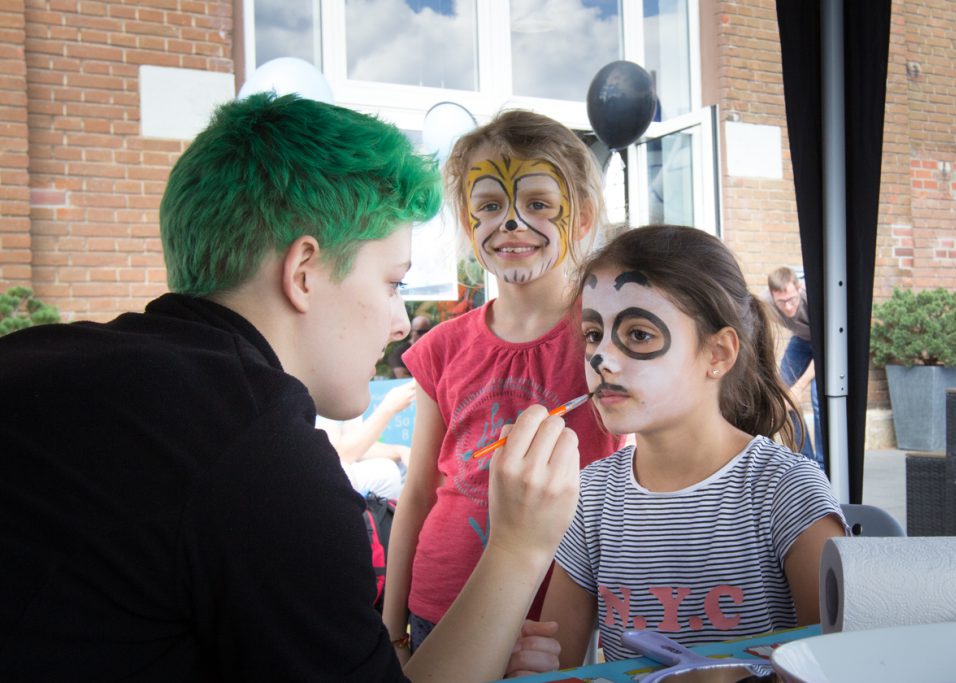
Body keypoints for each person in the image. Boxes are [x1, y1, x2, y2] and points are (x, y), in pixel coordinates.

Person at [0, 92, 583, 683]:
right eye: (391, 282)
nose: (400, 322)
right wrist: (516, 547)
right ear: (303, 271)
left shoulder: (42, 361)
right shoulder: (261, 463)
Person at [509, 225, 847, 672]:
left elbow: (840, 664)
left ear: (718, 354)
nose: (601, 359)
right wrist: (537, 668)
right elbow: (566, 666)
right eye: (593, 334)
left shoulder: (784, 492)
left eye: (639, 335)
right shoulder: (589, 498)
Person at [384, 109, 625, 655]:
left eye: (538, 204)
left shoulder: (605, 340)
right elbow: (418, 491)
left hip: (555, 620)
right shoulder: (442, 348)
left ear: (582, 218)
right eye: (490, 206)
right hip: (439, 607)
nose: (511, 223)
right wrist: (391, 625)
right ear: (470, 226)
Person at [317, 379, 418, 499]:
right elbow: (339, 454)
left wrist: (399, 451)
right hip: (321, 476)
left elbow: (357, 448)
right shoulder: (323, 388)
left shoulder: (348, 389)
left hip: (341, 469)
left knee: (404, 466)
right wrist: (389, 407)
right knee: (387, 471)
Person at [767, 266, 824, 470]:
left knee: (820, 399)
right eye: (782, 302)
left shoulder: (813, 299)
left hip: (826, 342)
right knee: (785, 397)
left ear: (799, 289)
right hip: (801, 340)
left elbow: (825, 349)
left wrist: (799, 387)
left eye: (792, 299)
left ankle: (825, 466)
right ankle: (806, 462)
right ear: (773, 296)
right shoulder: (767, 305)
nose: (789, 307)